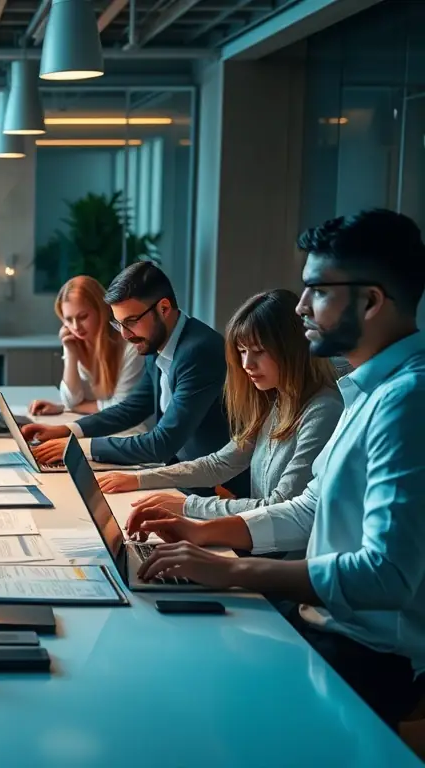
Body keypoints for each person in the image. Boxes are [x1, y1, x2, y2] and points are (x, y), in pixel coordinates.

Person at [128, 210, 425, 729]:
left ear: (372, 300)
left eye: (317, 290)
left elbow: (386, 577)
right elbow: (310, 507)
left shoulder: (406, 401)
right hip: (329, 627)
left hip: (369, 655)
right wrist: (202, 529)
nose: (303, 305)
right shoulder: (365, 390)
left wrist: (231, 568)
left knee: (178, 694)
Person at [98, 289, 342, 525]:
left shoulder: (323, 411)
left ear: (292, 350)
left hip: (285, 559)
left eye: (258, 352)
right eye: (242, 351)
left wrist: (184, 505)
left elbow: (280, 506)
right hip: (259, 543)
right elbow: (220, 463)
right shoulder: (276, 399)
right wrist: (138, 480)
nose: (247, 364)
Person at [23, 262, 246, 496]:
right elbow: (132, 408)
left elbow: (162, 443)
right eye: (118, 323)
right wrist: (67, 430)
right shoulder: (156, 340)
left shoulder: (198, 351)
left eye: (130, 321)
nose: (125, 335)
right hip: (180, 477)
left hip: (220, 488)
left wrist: (80, 447)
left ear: (164, 308)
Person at [27, 276, 147, 420]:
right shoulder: (74, 340)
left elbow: (120, 407)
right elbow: (71, 401)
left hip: (132, 431)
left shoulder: (130, 346)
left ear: (101, 310)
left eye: (82, 317)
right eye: (69, 320)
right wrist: (71, 353)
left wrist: (75, 408)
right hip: (100, 425)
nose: (76, 327)